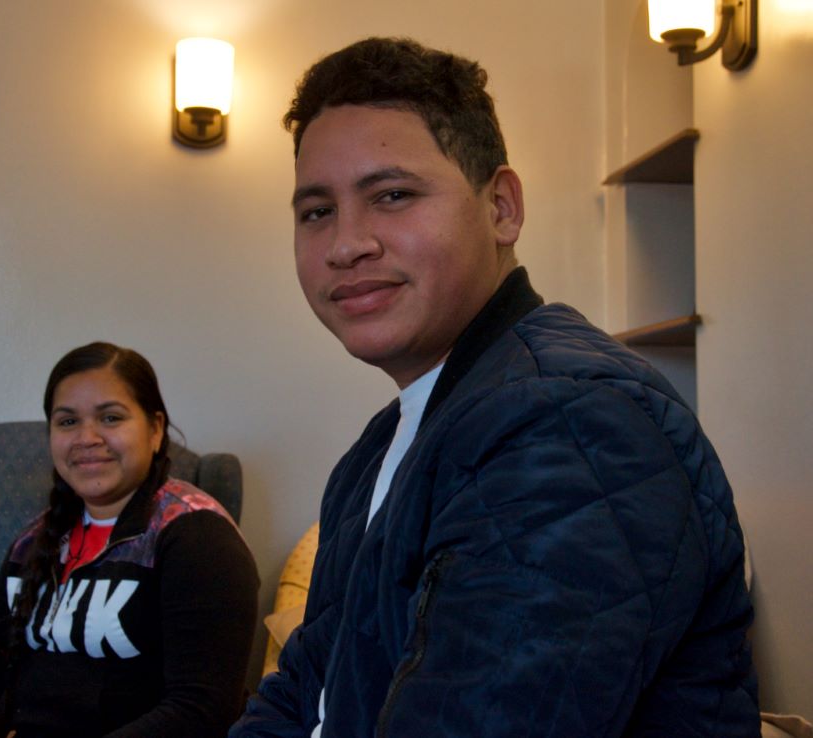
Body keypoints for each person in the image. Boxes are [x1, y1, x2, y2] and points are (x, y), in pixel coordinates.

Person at [231, 37, 759, 738]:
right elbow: (303, 688)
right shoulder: (385, 444)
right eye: (316, 211)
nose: (345, 244)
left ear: (502, 207)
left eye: (392, 195)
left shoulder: (569, 424)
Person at [0, 341, 259, 738]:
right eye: (67, 422)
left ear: (155, 429)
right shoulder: (31, 542)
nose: (87, 438)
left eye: (110, 418)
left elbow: (202, 709)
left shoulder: (197, 536)